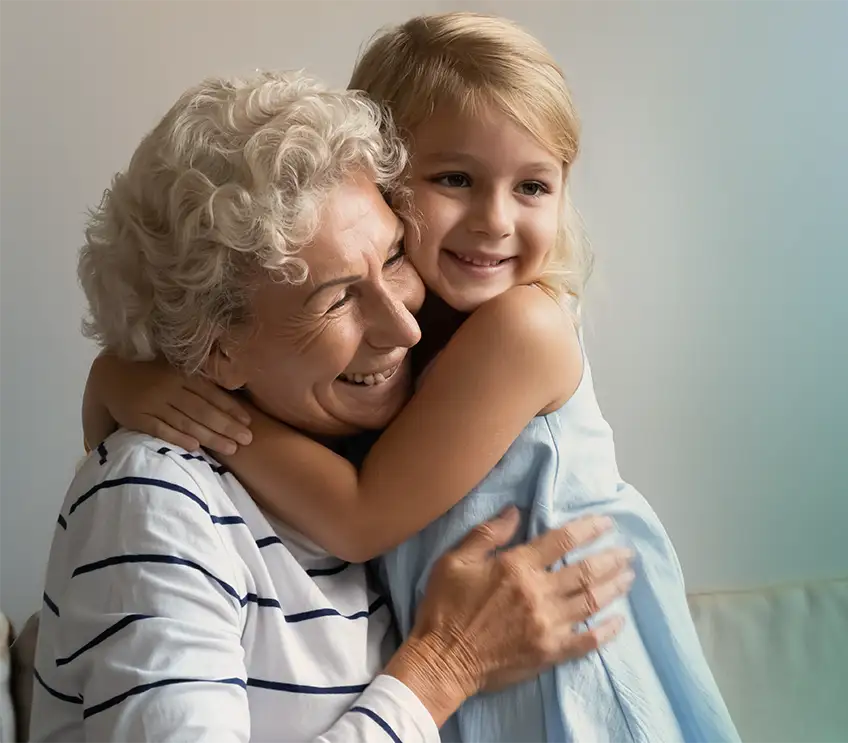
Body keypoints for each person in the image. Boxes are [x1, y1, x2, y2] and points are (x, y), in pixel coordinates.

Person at [84, 12, 743, 743]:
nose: (495, 221)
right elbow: (136, 502)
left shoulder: (522, 327)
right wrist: (128, 385)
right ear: (386, 184)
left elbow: (361, 516)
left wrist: (139, 388)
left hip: (574, 679)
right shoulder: (385, 371)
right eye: (455, 179)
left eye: (533, 186)